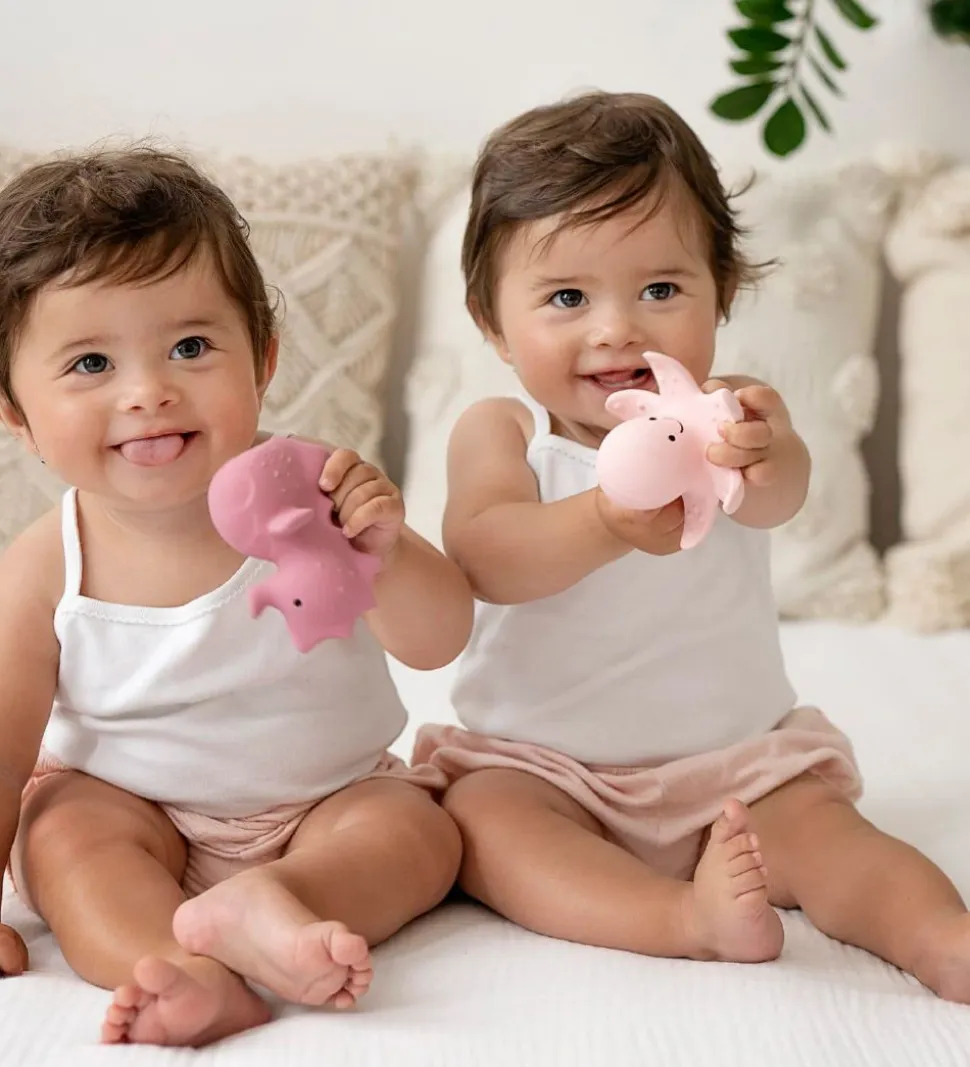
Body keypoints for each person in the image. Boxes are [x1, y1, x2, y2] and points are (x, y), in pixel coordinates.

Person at [415, 91, 970, 1002]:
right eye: (567, 297)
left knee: (835, 840)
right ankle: (681, 918)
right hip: (544, 767)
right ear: (490, 320)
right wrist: (602, 520)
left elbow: (780, 496)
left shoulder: (729, 411)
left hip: (734, 765)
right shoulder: (503, 431)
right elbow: (485, 557)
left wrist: (764, 452)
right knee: (485, 827)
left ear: (724, 290)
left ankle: (941, 937)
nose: (617, 328)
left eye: (661, 290)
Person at [0, 146, 470, 1047]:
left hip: (327, 799)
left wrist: (387, 553)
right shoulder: (44, 566)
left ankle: (279, 900)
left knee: (421, 833)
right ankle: (183, 970)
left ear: (262, 360)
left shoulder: (315, 496)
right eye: (91, 362)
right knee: (61, 833)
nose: (148, 391)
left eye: (190, 347)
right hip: (131, 805)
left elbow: (439, 640)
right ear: (17, 415)